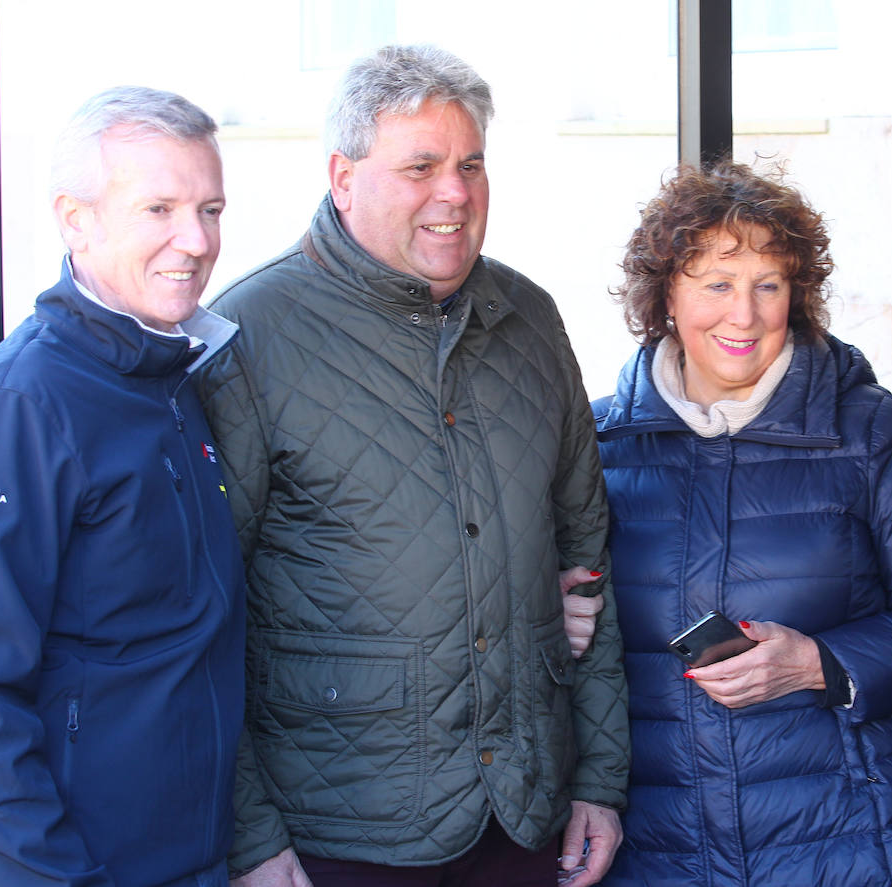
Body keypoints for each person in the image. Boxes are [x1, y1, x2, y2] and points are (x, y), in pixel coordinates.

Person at [197, 45, 628, 887]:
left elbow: (588, 562)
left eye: (471, 164)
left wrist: (600, 780)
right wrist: (249, 834)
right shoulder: (249, 336)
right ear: (343, 176)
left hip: (523, 815)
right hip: (339, 830)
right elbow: (206, 615)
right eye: (421, 166)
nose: (456, 193)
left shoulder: (530, 319)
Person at [592, 161, 892, 887]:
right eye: (717, 283)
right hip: (659, 857)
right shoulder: (601, 446)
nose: (743, 315)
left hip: (850, 850)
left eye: (768, 285)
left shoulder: (872, 432)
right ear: (666, 296)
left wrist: (820, 662)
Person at [0, 87, 243, 886]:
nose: (196, 240)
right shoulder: (27, 401)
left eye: (210, 208)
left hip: (202, 857)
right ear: (77, 219)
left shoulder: (175, 374)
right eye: (159, 208)